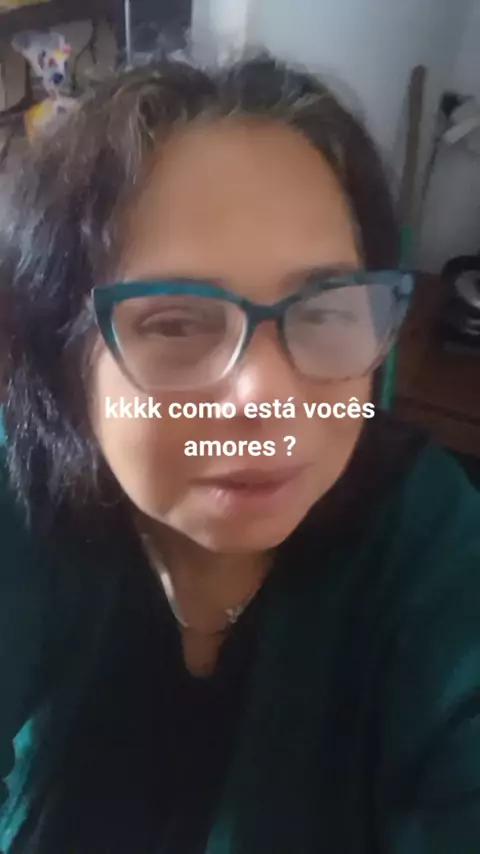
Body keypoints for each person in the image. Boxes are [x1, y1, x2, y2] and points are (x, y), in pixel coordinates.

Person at [0, 49, 479, 854]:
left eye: (326, 309)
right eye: (174, 323)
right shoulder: (24, 487)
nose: (267, 398)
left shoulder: (432, 543)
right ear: (63, 360)